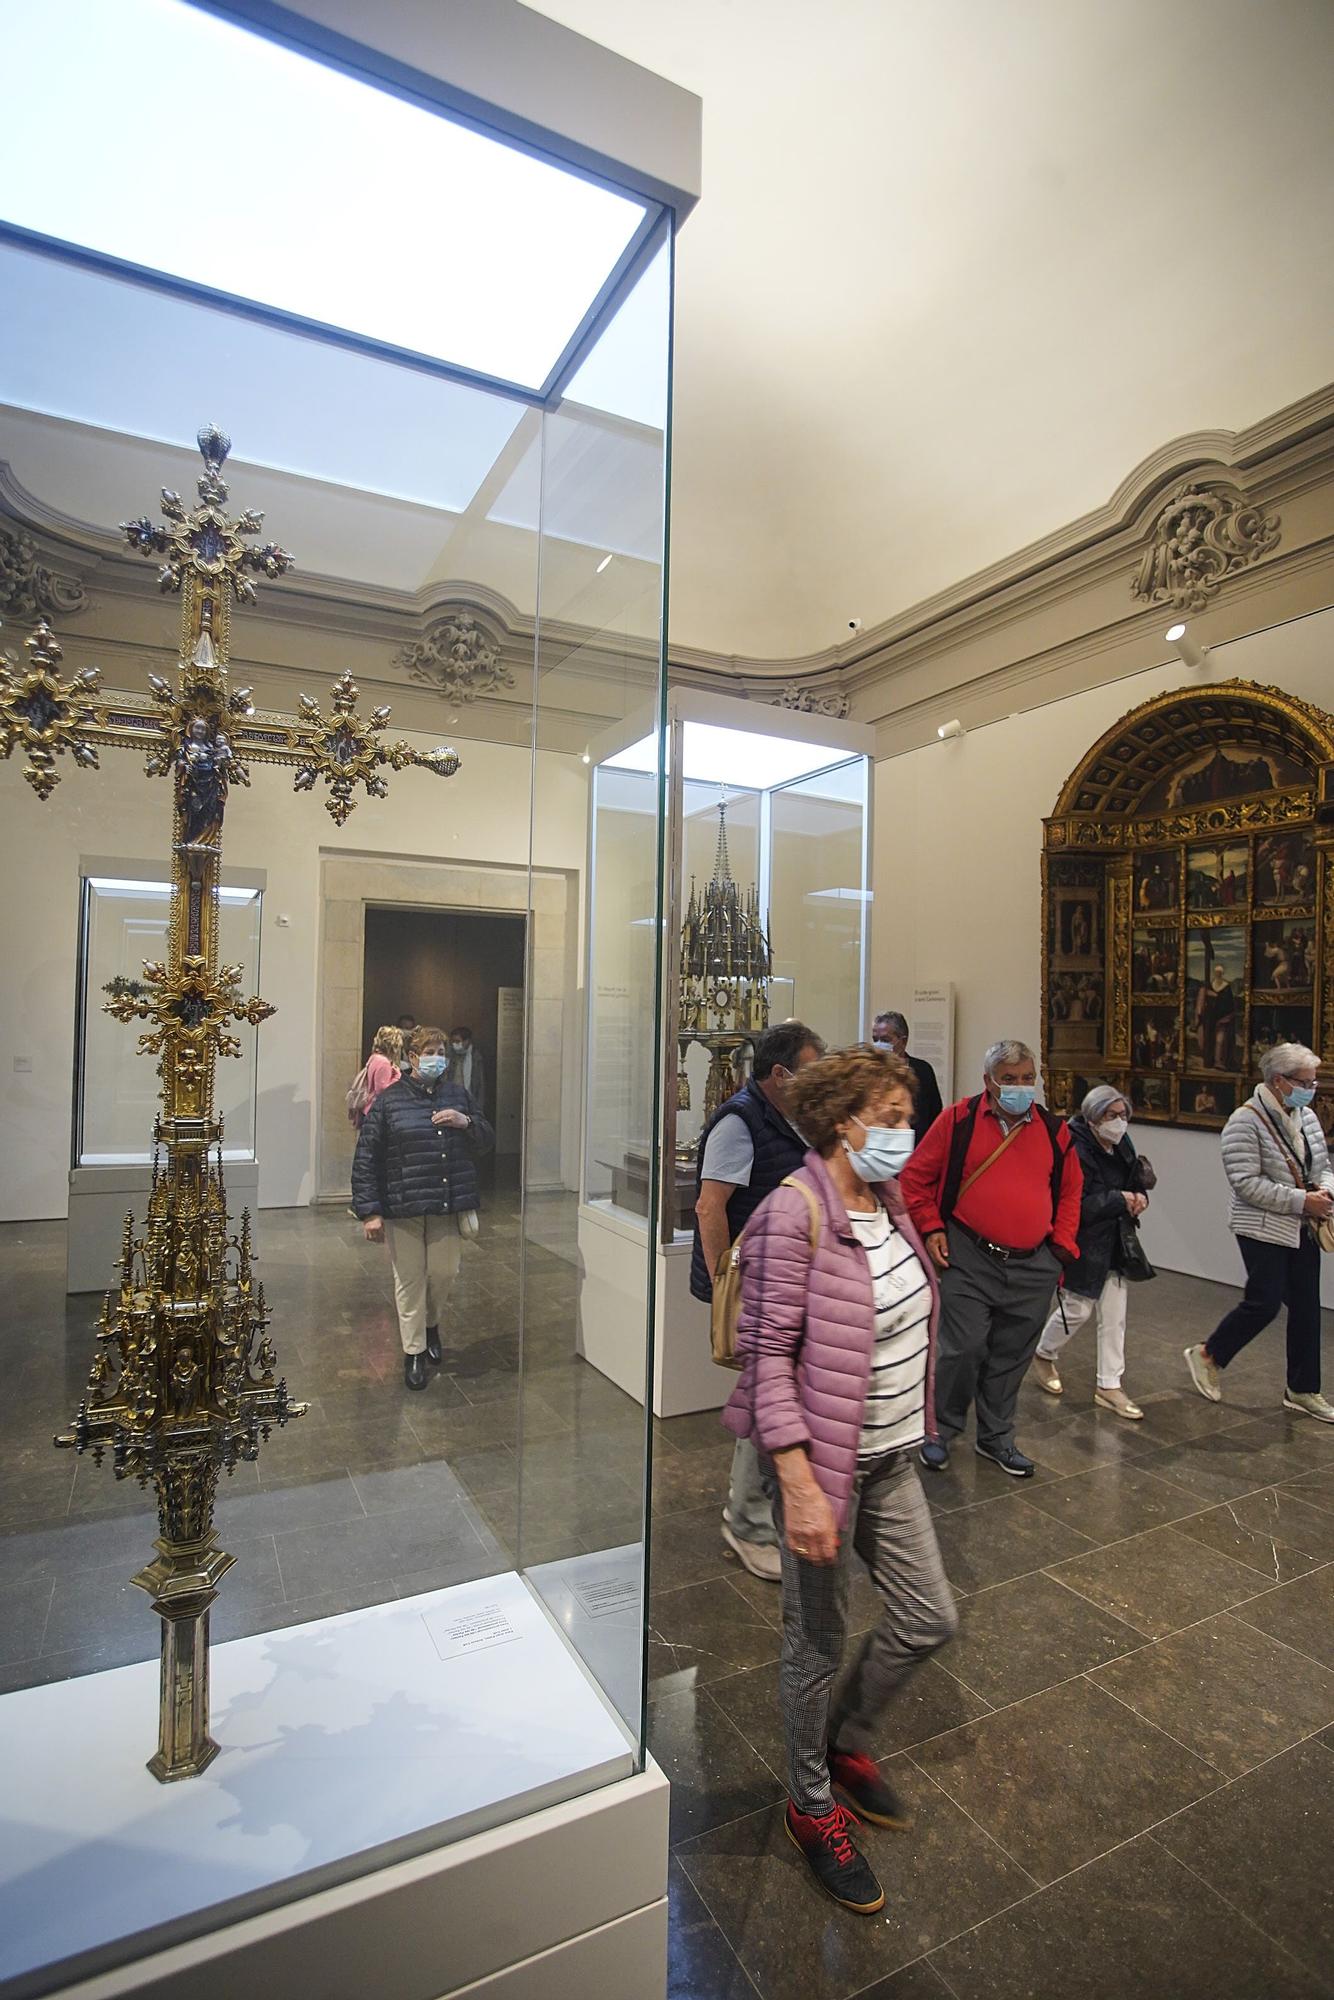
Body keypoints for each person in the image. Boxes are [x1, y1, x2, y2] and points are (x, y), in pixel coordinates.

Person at [722, 1046, 956, 1914]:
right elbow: (766, 1356)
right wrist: (799, 1483)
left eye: (908, 1116)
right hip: (823, 1465)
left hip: (892, 1458)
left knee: (930, 1615)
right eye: (891, 1119)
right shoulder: (795, 1212)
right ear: (842, 1121)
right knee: (813, 1647)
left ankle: (846, 1740)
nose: (906, 1134)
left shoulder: (886, 1198)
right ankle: (810, 1803)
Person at [898, 1038, 1082, 1477]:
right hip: (969, 1256)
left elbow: (1073, 1191)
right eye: (1009, 1080)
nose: (1020, 1088)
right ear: (988, 1082)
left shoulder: (1055, 1131)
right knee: (962, 1349)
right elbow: (914, 1180)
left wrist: (1060, 1249)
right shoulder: (957, 1120)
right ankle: (940, 1428)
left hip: (1033, 1263)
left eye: (1026, 1079)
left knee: (1012, 1353)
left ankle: (997, 1437)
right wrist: (931, 1228)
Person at [691, 1019, 826, 1579]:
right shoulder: (740, 1121)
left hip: (789, 1279)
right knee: (765, 1398)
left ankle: (760, 1508)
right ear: (779, 1073)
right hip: (757, 1286)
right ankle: (746, 1520)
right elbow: (710, 1207)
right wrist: (728, 1277)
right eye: (811, 1070)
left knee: (775, 1396)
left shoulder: (794, 1120)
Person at [1185, 1043, 1334, 1423]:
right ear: (1279, 1081)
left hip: (1302, 1224)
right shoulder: (1244, 1121)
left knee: (1306, 1308)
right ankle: (1208, 1354)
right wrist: (1303, 1201)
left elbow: (1323, 1162)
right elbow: (1246, 1184)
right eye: (1304, 1081)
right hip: (1261, 1227)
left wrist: (1325, 1191)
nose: (1311, 1088)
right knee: (1264, 1302)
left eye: (1312, 1081)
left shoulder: (1307, 1117)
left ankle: (1302, 1389)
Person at [351, 1025, 494, 1389]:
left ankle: (431, 1325)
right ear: (412, 1058)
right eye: (430, 1052)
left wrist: (466, 1123)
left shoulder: (458, 1095)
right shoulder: (389, 1101)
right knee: (409, 1280)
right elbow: (366, 1157)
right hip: (404, 1207)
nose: (437, 1059)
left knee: (444, 1273)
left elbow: (486, 1139)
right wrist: (370, 1211)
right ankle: (414, 1352)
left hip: (447, 1205)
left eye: (441, 1052)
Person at [1032, 1085, 1153, 1419]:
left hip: (1116, 1239)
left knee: (1115, 1316)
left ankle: (1109, 1384)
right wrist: (1121, 1199)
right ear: (1092, 1117)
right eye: (1110, 1115)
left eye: (1123, 1115)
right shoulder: (1074, 1146)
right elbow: (1077, 1203)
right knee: (1077, 1308)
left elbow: (1134, 1180)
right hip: (1082, 1240)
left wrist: (1138, 1196)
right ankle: (1044, 1353)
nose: (1118, 1122)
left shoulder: (1122, 1144)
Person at [871, 1010, 943, 1139]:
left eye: (885, 1039)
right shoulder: (869, 1071)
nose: (879, 1044)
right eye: (875, 1039)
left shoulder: (923, 1070)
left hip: (917, 1146)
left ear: (903, 1041)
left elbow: (934, 1113)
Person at [352, 1024, 404, 1128]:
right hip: (375, 1111)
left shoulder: (374, 1058)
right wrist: (397, 1076)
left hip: (368, 1109)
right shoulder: (383, 1063)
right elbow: (382, 1090)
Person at [447, 1025, 487, 1114]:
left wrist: (479, 1108)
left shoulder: (476, 1058)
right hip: (451, 1099)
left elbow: (480, 1085)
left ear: (467, 1041)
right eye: (453, 1041)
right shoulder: (449, 1055)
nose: (454, 1044)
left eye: (457, 1041)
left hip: (469, 1099)